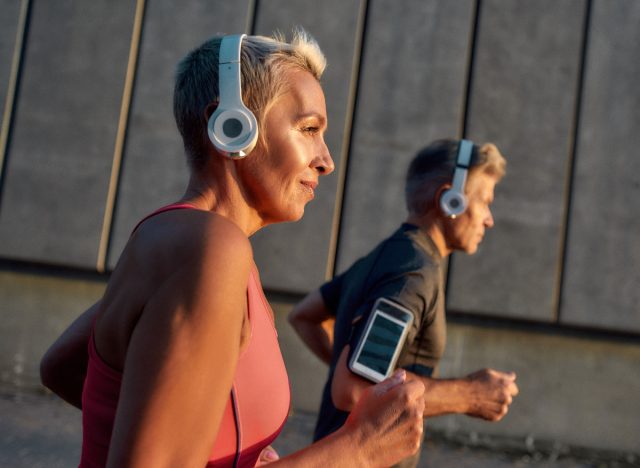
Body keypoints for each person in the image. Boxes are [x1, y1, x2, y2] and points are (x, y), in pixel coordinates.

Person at [39, 31, 425, 467]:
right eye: (309, 129)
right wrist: (359, 449)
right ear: (230, 126)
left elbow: (64, 367)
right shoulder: (207, 251)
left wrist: (225, 451)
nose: (326, 159)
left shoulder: (187, 240)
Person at [288, 139, 519, 467]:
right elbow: (355, 389)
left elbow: (305, 316)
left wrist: (361, 366)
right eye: (484, 202)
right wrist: (471, 395)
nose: (489, 219)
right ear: (449, 199)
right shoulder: (413, 273)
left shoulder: (387, 256)